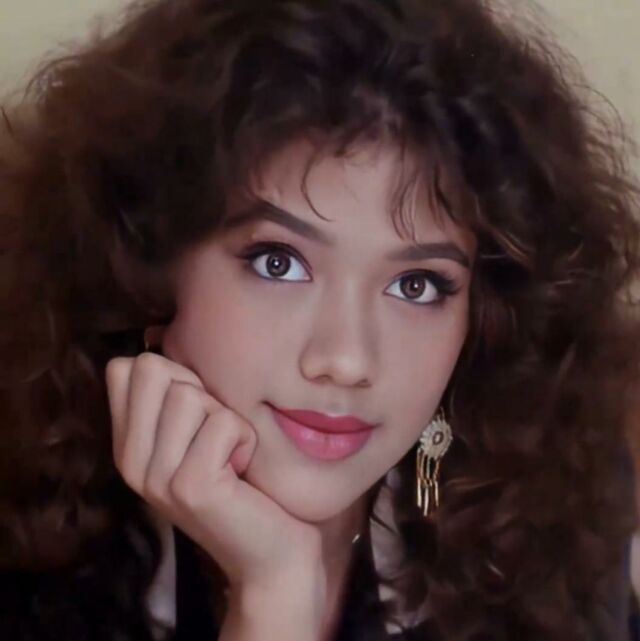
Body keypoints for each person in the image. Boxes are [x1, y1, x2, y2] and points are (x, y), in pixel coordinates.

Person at [1, 0, 639, 640]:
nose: (347, 360)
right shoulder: (25, 554)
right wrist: (274, 596)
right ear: (145, 267)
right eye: (279, 263)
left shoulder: (558, 516)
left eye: (416, 285)